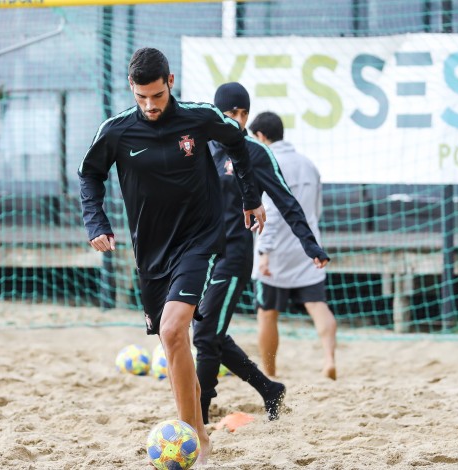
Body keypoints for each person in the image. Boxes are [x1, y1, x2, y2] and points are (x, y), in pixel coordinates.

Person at [78, 48, 266, 462]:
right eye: (141, 97)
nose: (149, 105)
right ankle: (199, 430)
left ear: (171, 82)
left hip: (199, 240)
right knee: (173, 340)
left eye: (157, 96)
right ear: (132, 88)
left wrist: (251, 199)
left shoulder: (199, 118)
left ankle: (192, 442)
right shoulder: (116, 131)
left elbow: (238, 141)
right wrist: (97, 224)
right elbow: (90, 175)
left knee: (172, 330)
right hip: (151, 253)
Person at [194, 83, 330, 424]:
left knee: (206, 336)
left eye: (244, 114)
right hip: (198, 257)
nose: (238, 120)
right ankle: (270, 390)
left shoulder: (255, 152)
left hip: (233, 256)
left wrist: (309, 244)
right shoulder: (199, 147)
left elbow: (285, 201)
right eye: (231, 114)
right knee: (212, 334)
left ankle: (199, 413)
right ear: (217, 114)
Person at [249, 111, 338, 380]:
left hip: (276, 250)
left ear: (262, 137)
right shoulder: (308, 164)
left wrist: (263, 251)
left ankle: (270, 372)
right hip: (308, 247)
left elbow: (272, 213)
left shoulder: (267, 161)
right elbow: (316, 208)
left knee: (267, 314)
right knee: (318, 305)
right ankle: (329, 359)